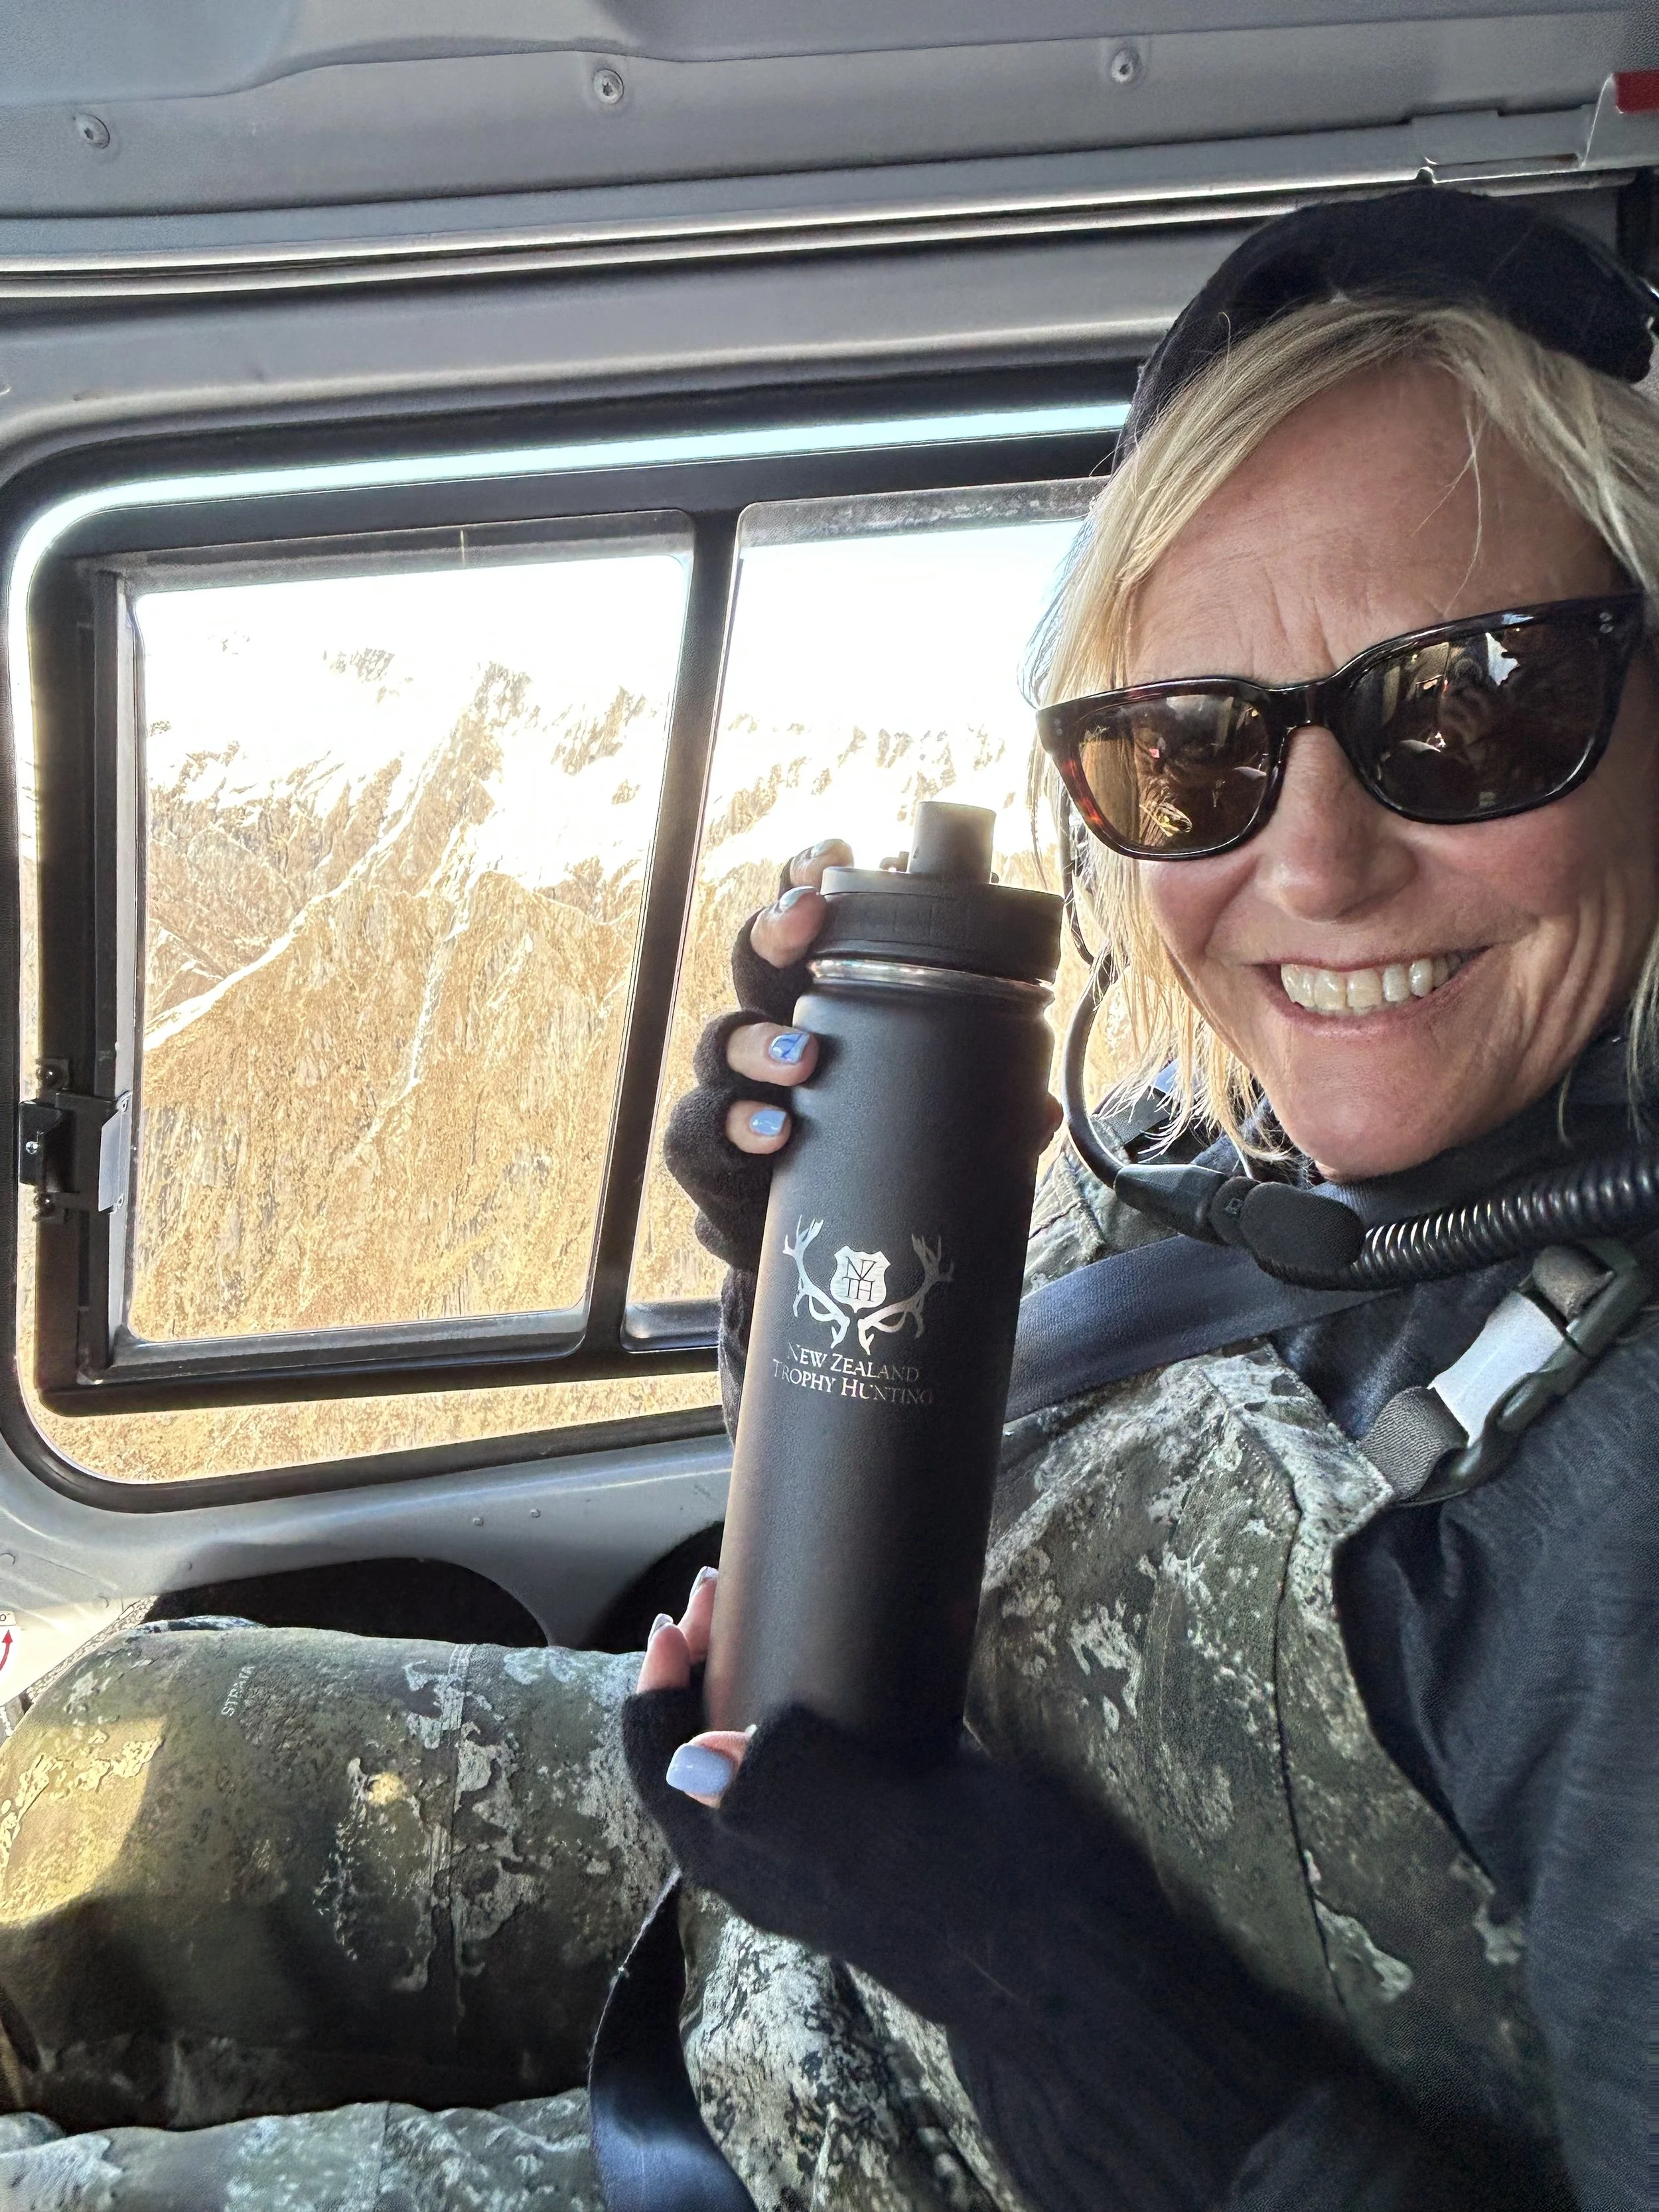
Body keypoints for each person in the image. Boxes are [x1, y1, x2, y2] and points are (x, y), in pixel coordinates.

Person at [0, 186, 1650, 2210]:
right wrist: (790, 1273)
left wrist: (1023, 1969)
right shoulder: (1281, 1124)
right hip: (834, 1902)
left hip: (899, 2128)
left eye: (1469, 705)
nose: (1309, 870)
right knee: (73, 1758)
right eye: (1188, 755)